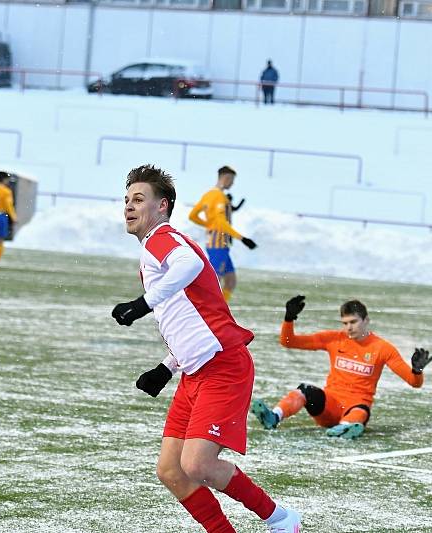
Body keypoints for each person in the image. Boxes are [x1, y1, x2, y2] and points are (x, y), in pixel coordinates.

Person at [112, 164, 301, 533]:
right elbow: (189, 323)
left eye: (139, 199)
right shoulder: (154, 250)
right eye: (126, 200)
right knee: (170, 470)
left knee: (197, 464)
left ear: (162, 206)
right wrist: (166, 368)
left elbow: (189, 263)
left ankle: (281, 519)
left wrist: (142, 303)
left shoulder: (162, 239)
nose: (129, 207)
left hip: (223, 366)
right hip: (194, 371)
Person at [251, 296, 432, 440]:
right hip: (329, 405)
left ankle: (346, 427)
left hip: (355, 406)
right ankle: (273, 417)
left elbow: (413, 382)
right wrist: (289, 319)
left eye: (353, 322)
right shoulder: (334, 338)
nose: (348, 328)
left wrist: (417, 371)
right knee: (304, 390)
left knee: (361, 411)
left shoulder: (383, 348)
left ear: (366, 320)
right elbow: (288, 342)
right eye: (345, 323)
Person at [188, 165, 257, 303]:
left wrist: (208, 224)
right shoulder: (218, 196)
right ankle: (202, 310)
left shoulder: (208, 194)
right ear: (225, 178)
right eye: (231, 180)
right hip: (218, 244)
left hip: (220, 245)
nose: (232, 183)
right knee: (213, 282)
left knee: (231, 281)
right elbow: (221, 222)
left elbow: (193, 215)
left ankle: (220, 310)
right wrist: (242, 238)